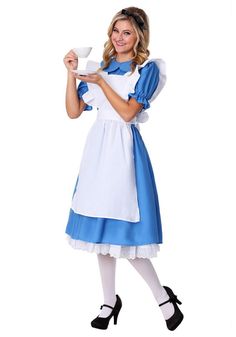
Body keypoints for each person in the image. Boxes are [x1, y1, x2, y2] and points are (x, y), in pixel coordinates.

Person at [63, 6, 184, 331]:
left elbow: (129, 114)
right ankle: (108, 300)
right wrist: (70, 73)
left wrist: (102, 83)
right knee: (100, 231)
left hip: (125, 153)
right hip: (97, 152)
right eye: (115, 31)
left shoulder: (146, 69)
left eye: (126, 32)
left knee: (127, 232)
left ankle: (162, 297)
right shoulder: (100, 67)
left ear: (139, 36)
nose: (119, 38)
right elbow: (74, 113)